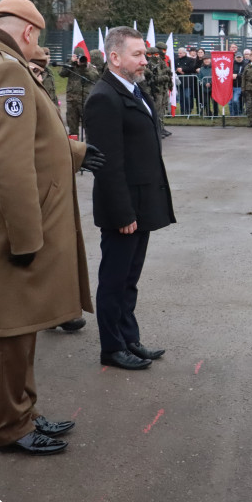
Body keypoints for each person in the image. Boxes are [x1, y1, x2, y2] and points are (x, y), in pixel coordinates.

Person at [0, 0, 105, 455]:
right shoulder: (7, 72)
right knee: (8, 331)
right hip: (6, 217)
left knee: (21, 322)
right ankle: (13, 426)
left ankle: (25, 410)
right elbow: (11, 164)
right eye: (36, 35)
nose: (37, 43)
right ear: (26, 30)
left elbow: (30, 136)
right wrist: (25, 238)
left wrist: (74, 153)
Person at [83, 26, 176, 371]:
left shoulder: (135, 90)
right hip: (122, 209)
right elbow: (108, 165)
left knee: (129, 279)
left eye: (145, 54)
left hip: (142, 202)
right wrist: (123, 214)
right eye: (137, 55)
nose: (144, 61)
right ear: (115, 57)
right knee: (114, 280)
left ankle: (129, 338)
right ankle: (112, 347)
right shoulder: (104, 98)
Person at [59, 47, 99, 137]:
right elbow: (62, 73)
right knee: (72, 128)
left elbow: (95, 77)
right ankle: (74, 145)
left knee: (88, 127)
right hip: (71, 101)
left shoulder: (89, 66)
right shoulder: (70, 66)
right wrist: (71, 62)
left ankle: (89, 145)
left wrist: (85, 67)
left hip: (85, 101)